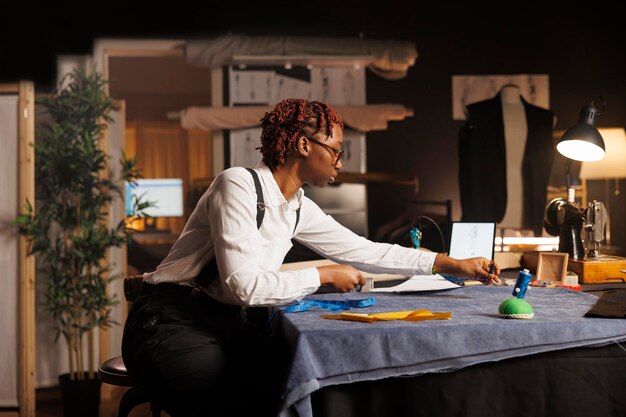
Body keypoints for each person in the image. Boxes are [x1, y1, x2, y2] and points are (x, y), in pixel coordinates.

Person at [122, 98, 501, 417]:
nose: (339, 161)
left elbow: (365, 250)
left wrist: (451, 263)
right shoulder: (237, 185)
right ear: (304, 146)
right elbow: (244, 286)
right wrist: (323, 273)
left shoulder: (297, 206)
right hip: (169, 321)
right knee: (228, 398)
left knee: (287, 387)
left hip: (223, 323)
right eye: (335, 150)